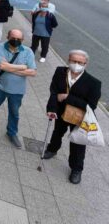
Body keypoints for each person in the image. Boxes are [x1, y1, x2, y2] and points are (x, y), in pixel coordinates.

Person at [42, 50, 101, 184]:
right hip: (61, 112)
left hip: (79, 118)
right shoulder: (59, 71)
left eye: (80, 62)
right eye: (74, 61)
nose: (76, 64)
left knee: (78, 143)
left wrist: (69, 98)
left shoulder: (94, 83)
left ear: (86, 64)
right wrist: (51, 109)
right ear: (68, 60)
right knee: (57, 133)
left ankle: (76, 169)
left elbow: (91, 106)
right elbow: (53, 91)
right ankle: (52, 149)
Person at [0, 29, 37, 148]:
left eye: (19, 39)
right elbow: (1, 66)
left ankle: (12, 133)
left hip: (17, 91)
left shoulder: (28, 51)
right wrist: (23, 67)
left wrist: (10, 68)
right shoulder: (0, 48)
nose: (16, 40)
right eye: (13, 38)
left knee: (14, 113)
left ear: (22, 40)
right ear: (8, 37)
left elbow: (33, 72)